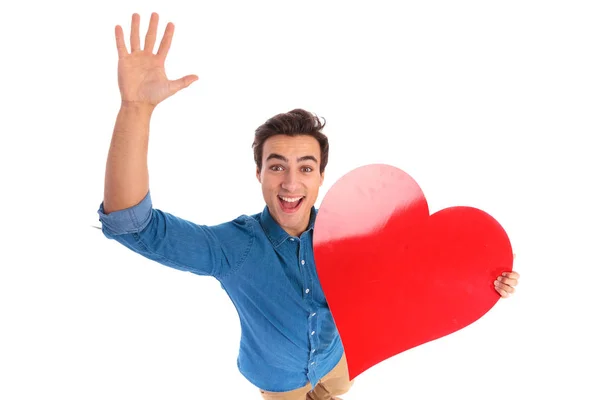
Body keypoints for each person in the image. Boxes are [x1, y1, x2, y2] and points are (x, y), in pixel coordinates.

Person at [97, 12, 521, 400]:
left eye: (306, 167)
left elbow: (416, 275)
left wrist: (484, 278)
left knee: (335, 391)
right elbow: (135, 226)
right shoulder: (234, 248)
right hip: (277, 379)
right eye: (277, 166)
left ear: (321, 177)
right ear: (259, 174)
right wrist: (136, 109)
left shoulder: (352, 236)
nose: (291, 182)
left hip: (338, 360)